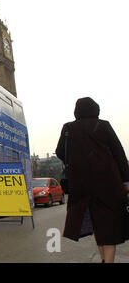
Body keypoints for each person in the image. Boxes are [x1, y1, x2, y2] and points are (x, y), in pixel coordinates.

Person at [55, 97, 129, 263]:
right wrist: (126, 180)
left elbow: (60, 152)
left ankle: (103, 259)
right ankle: (107, 261)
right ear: (96, 110)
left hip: (81, 184)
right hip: (108, 183)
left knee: (96, 223)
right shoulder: (103, 125)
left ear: (77, 111)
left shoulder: (68, 128)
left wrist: (77, 159)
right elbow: (119, 154)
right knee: (108, 224)